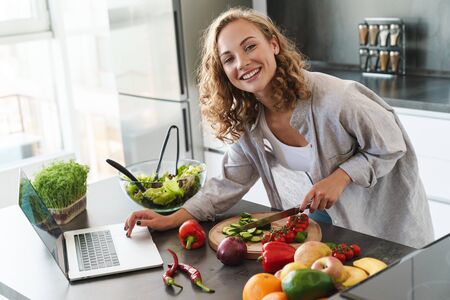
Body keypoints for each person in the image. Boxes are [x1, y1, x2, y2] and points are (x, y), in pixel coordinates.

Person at [124, 7, 434, 248]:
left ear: (273, 45)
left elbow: (392, 144)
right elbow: (229, 183)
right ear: (223, 71)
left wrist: (341, 177)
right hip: (328, 237)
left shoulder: (339, 98)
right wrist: (171, 219)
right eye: (228, 58)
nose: (242, 62)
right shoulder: (250, 121)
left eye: (249, 47)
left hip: (388, 236)